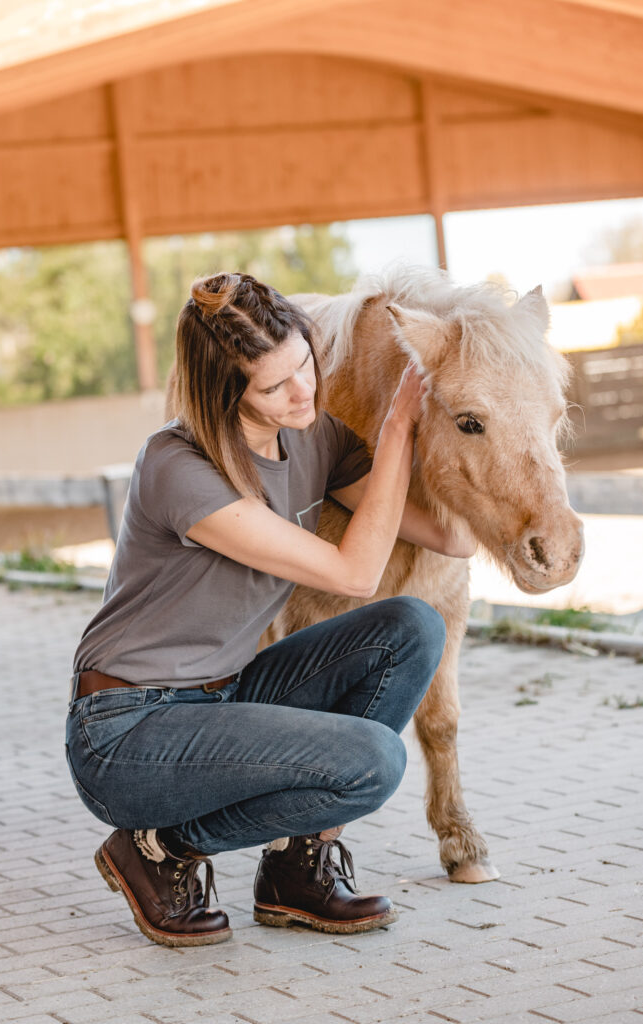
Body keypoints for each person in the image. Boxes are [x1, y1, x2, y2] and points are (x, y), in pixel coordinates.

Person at [65, 271, 474, 949]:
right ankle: (158, 848)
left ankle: (295, 871)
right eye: (273, 385)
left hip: (219, 698)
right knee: (372, 761)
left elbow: (453, 538)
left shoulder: (313, 437)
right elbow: (356, 570)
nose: (302, 389)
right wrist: (398, 424)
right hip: (127, 732)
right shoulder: (179, 466)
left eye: (304, 363)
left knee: (410, 628)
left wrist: (457, 413)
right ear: (226, 394)